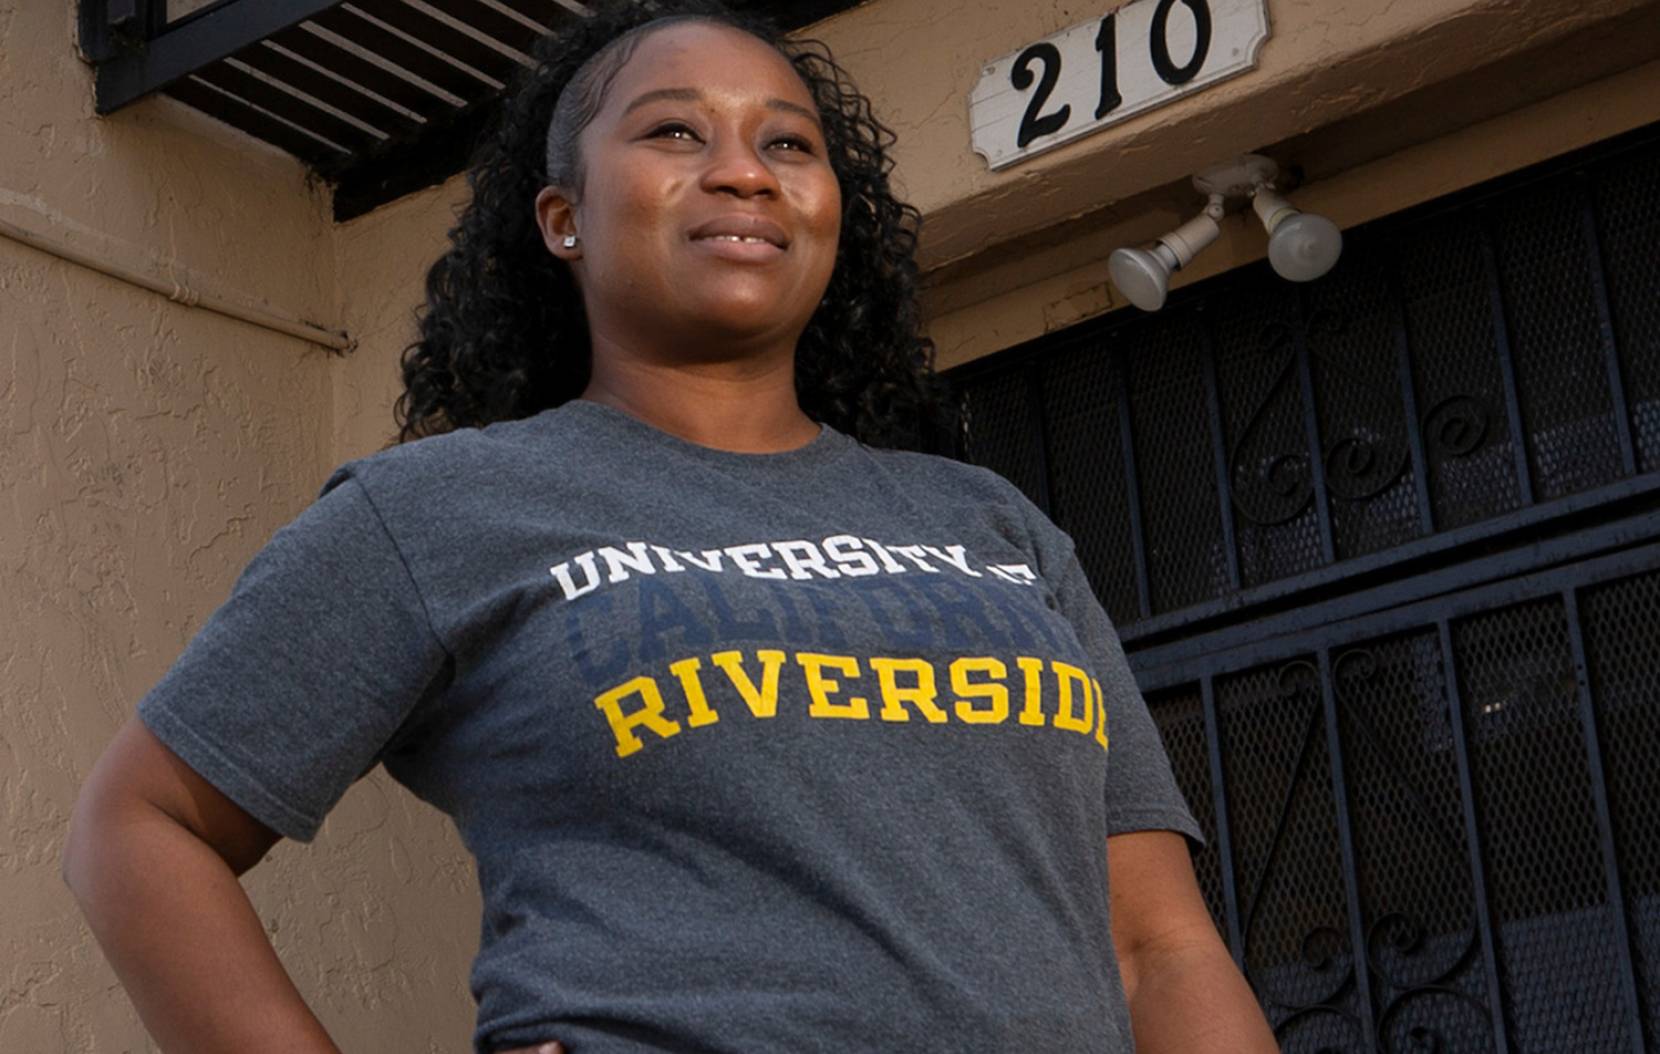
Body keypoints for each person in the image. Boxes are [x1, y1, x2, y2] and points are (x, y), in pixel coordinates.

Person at [62, 1, 1278, 1051]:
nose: (743, 169)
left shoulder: (993, 527)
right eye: (673, 131)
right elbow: (141, 827)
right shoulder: (437, 511)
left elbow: (1153, 945)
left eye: (787, 143)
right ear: (562, 218)